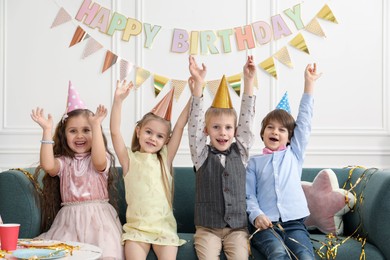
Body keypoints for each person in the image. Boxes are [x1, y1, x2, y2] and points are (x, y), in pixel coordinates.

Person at [30, 81, 124, 260]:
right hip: (69, 222)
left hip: (99, 222)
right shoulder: (65, 162)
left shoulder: (102, 157)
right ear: (64, 136)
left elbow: (98, 162)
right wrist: (47, 131)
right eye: (73, 131)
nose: (80, 136)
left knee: (105, 254)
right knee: (65, 254)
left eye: (86, 130)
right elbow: (48, 166)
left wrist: (96, 125)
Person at [246, 63, 322, 259]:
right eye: (270, 127)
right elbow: (249, 197)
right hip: (265, 225)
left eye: (282, 129)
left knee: (306, 256)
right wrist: (256, 216)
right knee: (278, 254)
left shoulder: (294, 154)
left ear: (290, 137)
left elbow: (304, 122)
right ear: (262, 134)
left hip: (295, 223)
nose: (275, 132)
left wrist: (309, 84)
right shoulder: (254, 163)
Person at [110, 79, 190, 260]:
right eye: (148, 132)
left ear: (166, 140)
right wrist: (118, 101)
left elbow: (179, 126)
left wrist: (195, 93)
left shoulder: (165, 158)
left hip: (164, 230)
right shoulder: (128, 158)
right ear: (138, 131)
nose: (153, 138)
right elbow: (115, 131)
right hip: (137, 230)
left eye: (160, 136)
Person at [187, 55, 257, 260]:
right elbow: (194, 123)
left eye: (228, 128)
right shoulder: (201, 155)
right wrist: (199, 86)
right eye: (216, 127)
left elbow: (247, 119)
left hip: (237, 229)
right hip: (207, 228)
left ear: (235, 131)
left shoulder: (241, 152)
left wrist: (249, 81)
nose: (223, 133)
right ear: (206, 130)